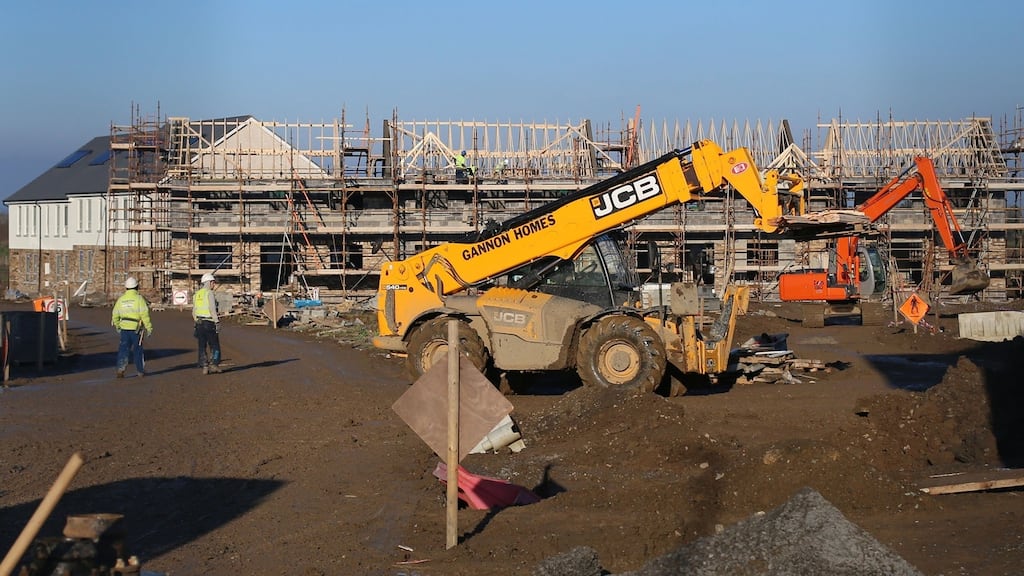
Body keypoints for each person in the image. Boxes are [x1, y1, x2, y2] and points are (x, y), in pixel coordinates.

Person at [111, 276, 153, 378]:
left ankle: (121, 369)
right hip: (136, 329)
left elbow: (115, 314)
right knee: (138, 350)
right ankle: (140, 371)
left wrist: (117, 326)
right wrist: (149, 328)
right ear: (137, 287)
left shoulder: (121, 300)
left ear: (126, 288)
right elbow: (144, 314)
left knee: (123, 349)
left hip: (124, 329)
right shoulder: (139, 299)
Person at [192, 273, 223, 374]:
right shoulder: (209, 293)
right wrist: (217, 322)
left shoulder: (197, 294)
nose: (214, 285)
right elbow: (212, 309)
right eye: (213, 282)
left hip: (199, 323)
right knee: (215, 345)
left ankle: (204, 365)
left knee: (202, 345)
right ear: (209, 282)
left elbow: (194, 311)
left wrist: (196, 321)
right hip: (209, 322)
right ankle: (214, 364)